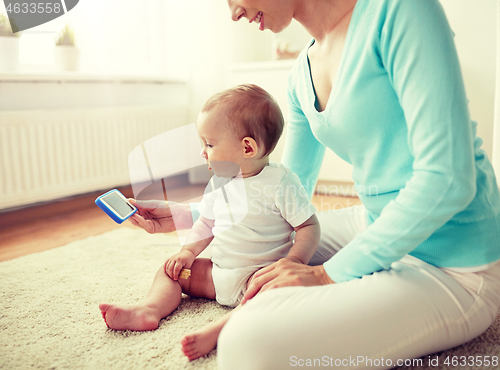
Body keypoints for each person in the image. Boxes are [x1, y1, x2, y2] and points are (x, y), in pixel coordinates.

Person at [128, 0, 500, 368]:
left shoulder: (400, 10)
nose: (233, 12)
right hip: (374, 222)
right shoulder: (300, 76)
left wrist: (324, 275)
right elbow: (277, 198)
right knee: (278, 254)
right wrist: (183, 215)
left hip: (454, 264)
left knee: (246, 345)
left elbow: (448, 180)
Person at [99, 84, 320, 362]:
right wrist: (188, 253)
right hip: (216, 276)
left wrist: (296, 260)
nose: (203, 152)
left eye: (210, 144)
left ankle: (218, 331)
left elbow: (309, 226)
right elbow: (206, 221)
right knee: (171, 271)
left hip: (256, 278)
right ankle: (149, 310)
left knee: (272, 296)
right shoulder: (220, 180)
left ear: (247, 147)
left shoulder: (280, 183)